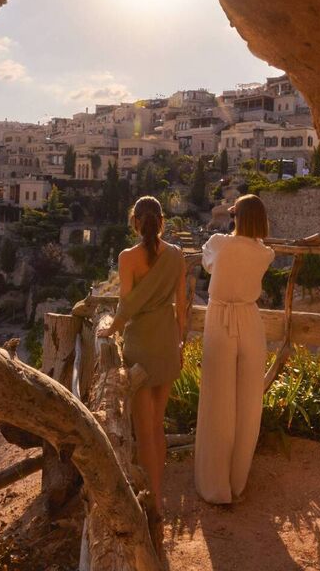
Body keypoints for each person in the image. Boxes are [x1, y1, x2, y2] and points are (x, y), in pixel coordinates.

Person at [97, 196, 187, 517]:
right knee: (157, 427)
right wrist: (181, 345)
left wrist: (111, 329)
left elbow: (126, 304)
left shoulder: (127, 257)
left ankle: (153, 503)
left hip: (140, 345)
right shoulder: (177, 255)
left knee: (142, 429)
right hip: (166, 342)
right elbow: (182, 307)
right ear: (162, 221)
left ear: (135, 222)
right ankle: (158, 496)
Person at [194, 194, 275, 504]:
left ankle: (216, 485)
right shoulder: (264, 253)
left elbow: (208, 262)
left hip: (220, 317)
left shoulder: (219, 242)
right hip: (250, 319)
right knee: (247, 402)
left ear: (237, 217)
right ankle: (238, 480)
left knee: (219, 400)